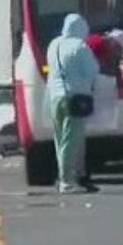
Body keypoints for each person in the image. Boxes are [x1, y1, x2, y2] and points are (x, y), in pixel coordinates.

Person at [46, 14, 100, 194]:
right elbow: (92, 71)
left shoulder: (53, 44)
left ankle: (66, 176)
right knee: (72, 140)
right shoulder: (80, 46)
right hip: (75, 97)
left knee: (60, 139)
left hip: (55, 96)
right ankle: (67, 180)